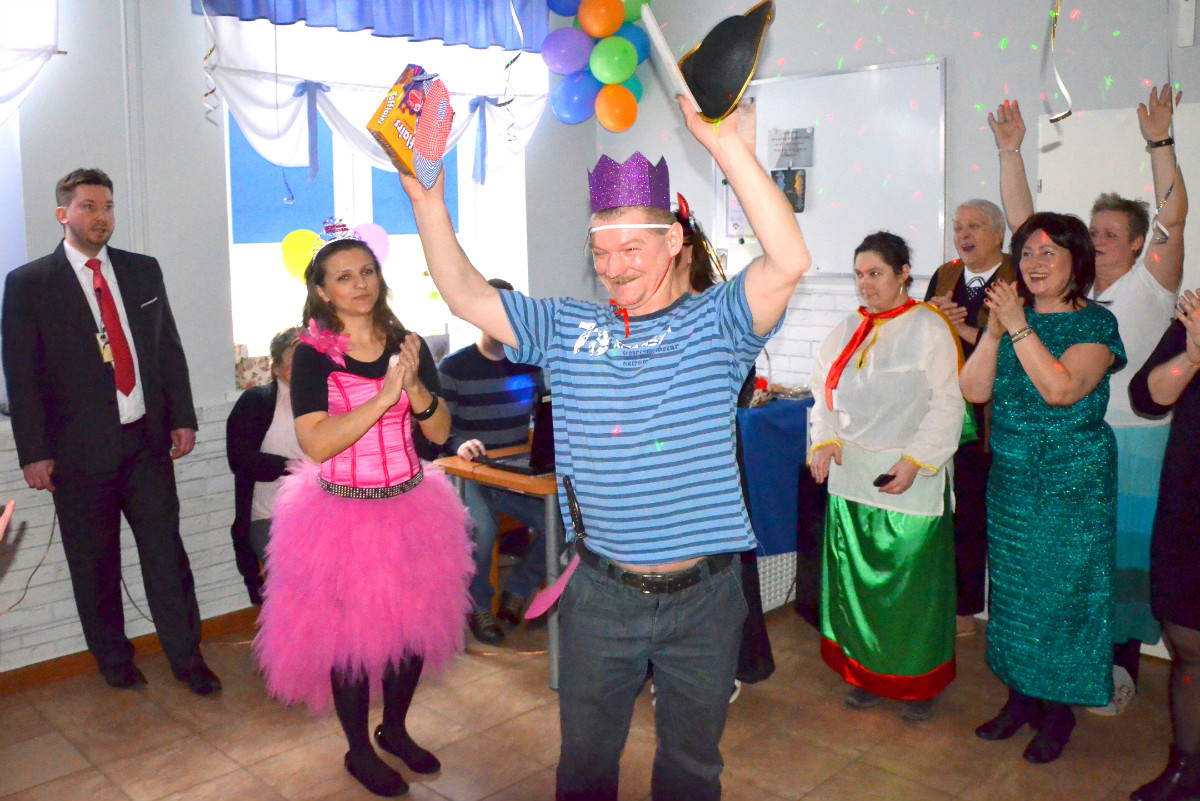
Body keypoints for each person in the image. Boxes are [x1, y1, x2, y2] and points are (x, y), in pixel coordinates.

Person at [398, 94, 811, 800]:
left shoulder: (719, 323)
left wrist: (727, 149)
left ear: (673, 242)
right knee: (586, 768)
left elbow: (789, 258)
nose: (614, 268)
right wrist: (428, 202)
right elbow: (466, 295)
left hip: (705, 599)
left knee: (692, 768)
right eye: (601, 251)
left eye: (631, 249)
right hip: (600, 595)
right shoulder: (566, 328)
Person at [252, 236, 474, 798]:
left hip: (413, 505)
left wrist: (414, 384)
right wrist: (382, 396)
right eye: (344, 277)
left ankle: (394, 728)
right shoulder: (312, 354)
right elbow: (317, 443)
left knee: (412, 631)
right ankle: (358, 749)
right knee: (350, 640)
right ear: (323, 291)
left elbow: (439, 433)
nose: (360, 284)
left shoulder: (408, 343)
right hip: (341, 515)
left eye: (367, 271)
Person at [990, 84, 1188, 713]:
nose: (1099, 240)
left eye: (1111, 233)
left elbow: (1175, 215)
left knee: (1123, 564)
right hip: (1060, 446)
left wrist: (1159, 141)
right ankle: (1058, 676)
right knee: (1067, 570)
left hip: (1134, 441)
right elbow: (1026, 228)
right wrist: (1011, 153)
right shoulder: (1070, 298)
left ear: (1137, 244)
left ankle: (1119, 669)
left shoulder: (1152, 286)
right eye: (1093, 232)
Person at [1, 168, 219, 695]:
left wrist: (182, 416)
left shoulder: (143, 271)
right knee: (94, 566)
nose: (101, 217)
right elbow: (21, 376)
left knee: (166, 557)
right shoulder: (29, 284)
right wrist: (34, 452)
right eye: (89, 207)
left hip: (145, 444)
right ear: (63, 214)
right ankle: (115, 660)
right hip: (76, 456)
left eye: (108, 207)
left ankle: (187, 659)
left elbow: (168, 348)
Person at [960, 212, 1125, 764]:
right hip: (1011, 483)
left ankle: (1058, 713)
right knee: (1013, 597)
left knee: (1063, 598)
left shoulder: (1095, 324)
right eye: (1027, 253)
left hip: (1073, 486)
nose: (1034, 263)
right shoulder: (1013, 320)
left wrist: (1017, 326)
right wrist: (993, 332)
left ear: (1077, 262)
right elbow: (973, 390)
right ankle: (1020, 699)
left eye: (1049, 252)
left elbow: (1061, 389)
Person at [809, 232, 962, 722]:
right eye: (859, 274)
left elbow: (948, 403)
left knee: (911, 588)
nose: (865, 284)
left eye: (875, 273)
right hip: (852, 479)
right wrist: (823, 439)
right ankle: (866, 673)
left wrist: (916, 460)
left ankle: (918, 682)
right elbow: (822, 392)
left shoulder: (930, 327)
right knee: (860, 587)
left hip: (910, 478)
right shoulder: (846, 328)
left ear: (903, 275)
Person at [671, 194, 774, 687]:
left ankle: (727, 665)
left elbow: (743, 382)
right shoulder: (637, 311)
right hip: (661, 460)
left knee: (718, 562)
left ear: (687, 250)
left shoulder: (722, 309)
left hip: (710, 455)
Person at [438, 278, 549, 646]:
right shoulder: (454, 367)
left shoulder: (529, 364)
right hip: (470, 474)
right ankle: (480, 605)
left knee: (564, 521)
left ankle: (519, 589)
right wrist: (461, 444)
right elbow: (439, 432)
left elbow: (544, 419)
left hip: (515, 473)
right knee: (482, 529)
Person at [924, 199, 1015, 637]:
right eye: (958, 226)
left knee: (998, 519)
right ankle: (961, 608)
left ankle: (1005, 617)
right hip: (952, 414)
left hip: (1001, 418)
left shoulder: (1019, 276)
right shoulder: (946, 275)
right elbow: (924, 336)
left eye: (974, 226)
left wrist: (962, 329)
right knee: (959, 514)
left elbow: (1019, 344)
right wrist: (934, 318)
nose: (963, 235)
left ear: (999, 234)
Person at [1128, 288, 1200, 801]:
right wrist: (1192, 358)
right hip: (1190, 499)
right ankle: (1188, 768)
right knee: (1188, 641)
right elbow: (1147, 397)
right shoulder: (1197, 314)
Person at [224, 326, 303, 605]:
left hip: (322, 512)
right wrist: (295, 468)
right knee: (298, 573)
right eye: (295, 360)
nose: (304, 368)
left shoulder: (329, 399)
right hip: (270, 515)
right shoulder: (257, 401)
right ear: (277, 366)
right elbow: (241, 459)